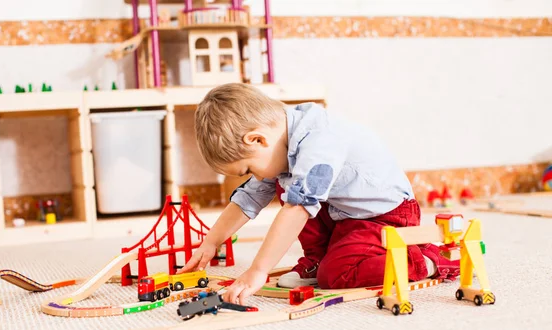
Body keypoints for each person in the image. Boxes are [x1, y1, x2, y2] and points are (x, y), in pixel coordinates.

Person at [178, 83, 459, 305]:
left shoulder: (320, 139)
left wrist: (258, 270)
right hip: (343, 214)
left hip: (385, 216)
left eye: (249, 168)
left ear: (257, 139)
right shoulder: (281, 140)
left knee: (335, 274)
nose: (255, 177)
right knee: (284, 185)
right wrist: (211, 241)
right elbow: (248, 198)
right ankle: (318, 258)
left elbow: (298, 209)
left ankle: (426, 260)